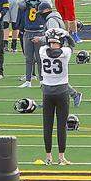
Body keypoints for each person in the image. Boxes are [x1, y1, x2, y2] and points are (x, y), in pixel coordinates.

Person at [34, 28, 73, 165]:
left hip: (47, 92)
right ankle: (61, 157)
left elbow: (45, 43)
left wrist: (48, 36)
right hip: (62, 91)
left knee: (47, 125)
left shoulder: (43, 52)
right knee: (61, 126)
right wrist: (66, 34)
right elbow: (71, 44)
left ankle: (48, 157)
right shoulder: (66, 53)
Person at [17, 0, 51, 88]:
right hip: (28, 32)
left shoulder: (41, 6)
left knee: (39, 58)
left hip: (39, 33)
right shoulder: (25, 6)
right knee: (28, 58)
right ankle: (28, 80)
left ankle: (42, 80)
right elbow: (19, 2)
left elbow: (48, 3)